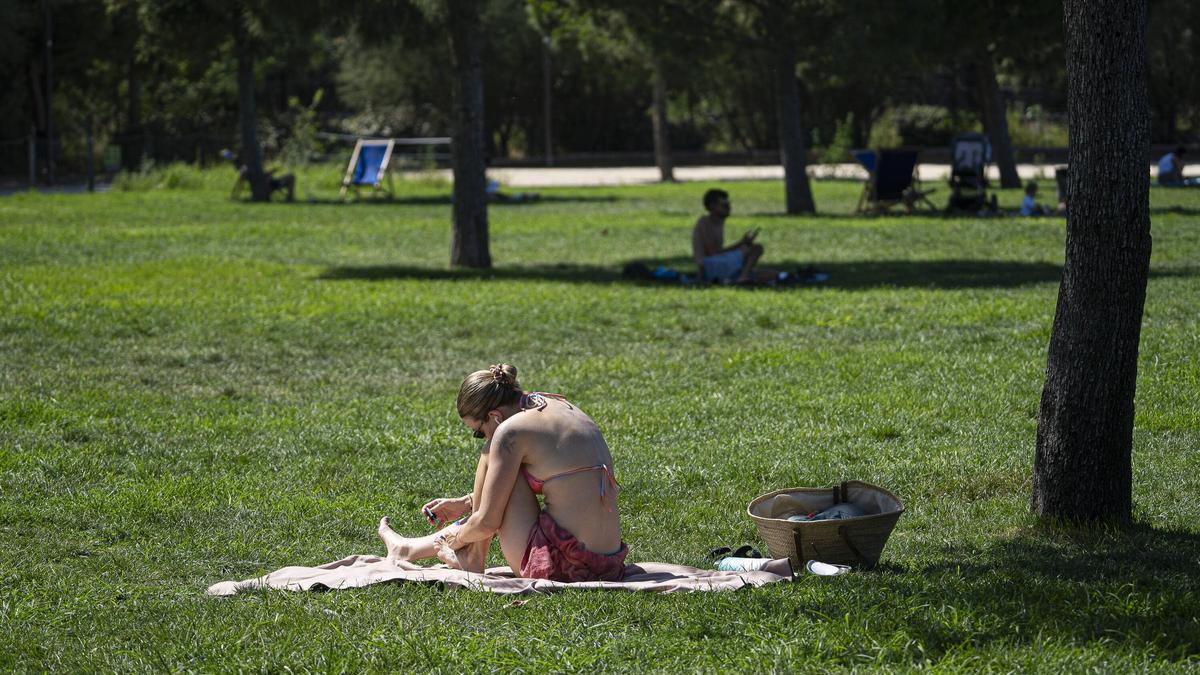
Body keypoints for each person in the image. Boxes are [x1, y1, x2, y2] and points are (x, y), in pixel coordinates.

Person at [377, 364, 628, 582]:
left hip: (563, 568)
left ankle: (472, 560)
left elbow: (487, 523)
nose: (481, 436)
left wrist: (456, 538)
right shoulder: (557, 405)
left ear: (494, 415)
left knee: (491, 451)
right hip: (608, 564)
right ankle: (407, 550)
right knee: (503, 463)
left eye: (478, 430)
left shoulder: (510, 432)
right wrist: (467, 502)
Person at [692, 189, 763, 283]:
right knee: (755, 249)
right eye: (724, 205)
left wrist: (742, 244)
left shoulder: (718, 223)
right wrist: (740, 244)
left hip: (714, 263)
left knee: (761, 271)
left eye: (729, 205)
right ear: (712, 206)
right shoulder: (704, 222)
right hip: (708, 266)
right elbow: (712, 252)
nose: (729, 208)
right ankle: (742, 278)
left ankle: (743, 276)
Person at [221, 149, 296, 201]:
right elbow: (261, 177)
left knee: (291, 176)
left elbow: (239, 183)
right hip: (267, 184)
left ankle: (290, 198)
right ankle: (288, 198)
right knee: (290, 177)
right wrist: (272, 171)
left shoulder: (252, 165)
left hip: (272, 181)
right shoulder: (246, 169)